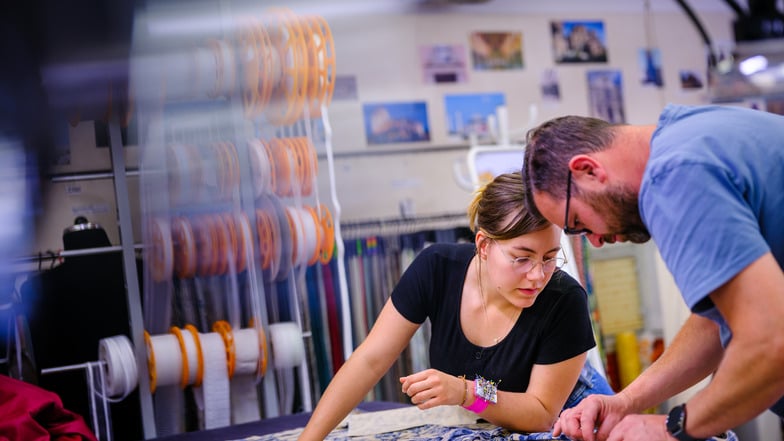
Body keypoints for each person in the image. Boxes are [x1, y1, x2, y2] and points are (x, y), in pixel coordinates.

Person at [521, 103, 784, 441]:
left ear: (588, 169)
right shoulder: (689, 133)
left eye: (579, 225)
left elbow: (770, 339)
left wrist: (674, 428)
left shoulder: (673, 178)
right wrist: (626, 402)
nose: (596, 242)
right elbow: (722, 315)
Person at [299, 172, 612, 440]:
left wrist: (467, 393)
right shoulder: (437, 268)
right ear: (483, 245)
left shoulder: (563, 299)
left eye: (549, 258)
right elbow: (370, 360)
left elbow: (541, 414)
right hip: (489, 423)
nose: (537, 275)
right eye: (522, 258)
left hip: (576, 420)